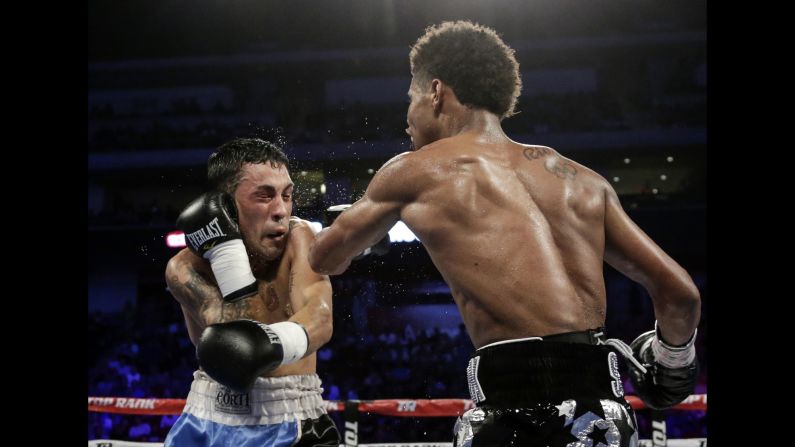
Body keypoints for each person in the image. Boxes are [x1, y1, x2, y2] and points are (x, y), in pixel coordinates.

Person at [309, 21, 700, 447]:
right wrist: (672, 364)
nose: (407, 120)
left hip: (512, 411)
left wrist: (356, 231)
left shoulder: (415, 169)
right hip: (604, 413)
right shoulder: (583, 180)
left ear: (436, 92)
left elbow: (324, 259)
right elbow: (680, 294)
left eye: (411, 99)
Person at [164, 137, 340, 446]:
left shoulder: (300, 239)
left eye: (287, 196)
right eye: (265, 196)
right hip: (206, 416)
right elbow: (233, 345)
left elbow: (320, 319)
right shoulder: (184, 269)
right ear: (225, 205)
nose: (281, 210)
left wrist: (275, 342)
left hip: (288, 416)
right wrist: (226, 253)